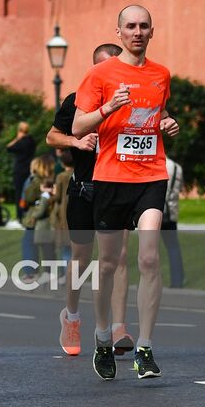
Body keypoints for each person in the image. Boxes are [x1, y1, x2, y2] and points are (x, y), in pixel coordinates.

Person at [73, 5, 180, 380]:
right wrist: (107, 108)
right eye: (130, 26)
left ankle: (146, 347)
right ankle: (103, 337)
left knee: (149, 258)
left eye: (143, 26)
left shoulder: (161, 74)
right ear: (118, 32)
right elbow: (77, 125)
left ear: (153, 32)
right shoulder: (99, 74)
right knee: (108, 263)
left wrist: (166, 123)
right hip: (111, 178)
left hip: (151, 175)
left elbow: (156, 113)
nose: (137, 32)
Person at [46, 41, 132, 357]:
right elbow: (51, 137)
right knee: (81, 259)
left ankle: (119, 327)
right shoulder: (76, 102)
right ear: (95, 69)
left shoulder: (129, 102)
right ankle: (71, 316)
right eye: (107, 66)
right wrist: (75, 140)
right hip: (84, 189)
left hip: (119, 189)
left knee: (119, 257)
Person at [6, 121, 38, 223]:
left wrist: (17, 138)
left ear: (19, 130)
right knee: (29, 192)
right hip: (30, 169)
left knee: (19, 193)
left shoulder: (20, 142)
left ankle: (20, 216)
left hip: (19, 170)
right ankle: (29, 213)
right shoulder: (31, 141)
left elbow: (9, 147)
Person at [162, 155, 184, 288]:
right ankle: (178, 279)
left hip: (158, 211)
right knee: (173, 247)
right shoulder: (177, 167)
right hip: (171, 212)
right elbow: (179, 188)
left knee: (149, 248)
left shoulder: (157, 165)